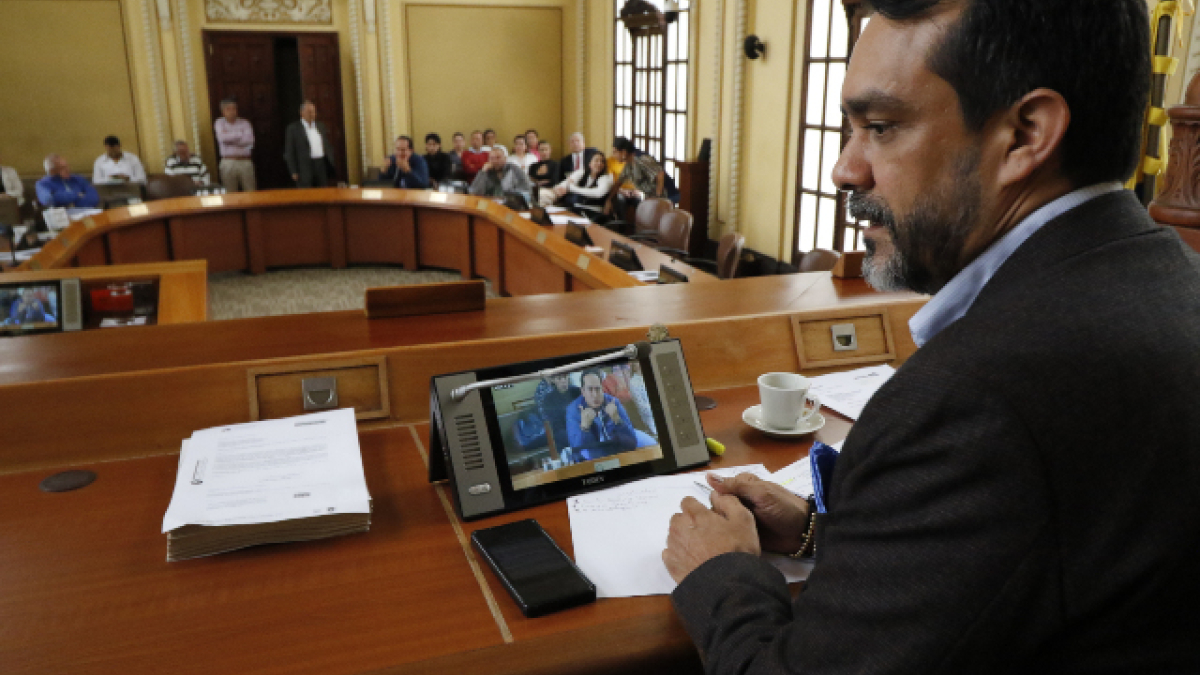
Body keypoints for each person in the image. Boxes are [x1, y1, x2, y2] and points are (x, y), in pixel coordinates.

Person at [663, 1, 1200, 672]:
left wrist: (722, 573)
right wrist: (820, 529)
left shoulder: (972, 399)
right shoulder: (1175, 278)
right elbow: (1040, 551)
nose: (845, 169)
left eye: (881, 127)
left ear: (1026, 134)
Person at [564, 369, 638, 460]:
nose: (595, 395)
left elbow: (632, 442)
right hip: (592, 460)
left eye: (597, 389)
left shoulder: (613, 402)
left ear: (602, 389)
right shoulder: (573, 410)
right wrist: (584, 428)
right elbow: (576, 450)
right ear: (583, 391)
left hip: (617, 454)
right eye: (590, 389)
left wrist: (617, 420)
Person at [605, 137, 665, 216]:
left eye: (615, 152)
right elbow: (618, 184)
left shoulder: (642, 159)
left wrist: (658, 197)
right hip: (648, 198)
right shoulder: (628, 165)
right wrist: (609, 200)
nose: (614, 155)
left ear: (624, 152)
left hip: (660, 199)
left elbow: (660, 174)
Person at [283, 101, 337, 187]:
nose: (312, 114)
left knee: (323, 192)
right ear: (301, 113)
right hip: (304, 167)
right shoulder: (293, 129)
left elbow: (326, 144)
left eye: (314, 111)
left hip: (321, 164)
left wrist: (331, 159)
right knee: (306, 194)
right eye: (309, 112)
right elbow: (289, 152)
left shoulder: (320, 126)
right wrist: (293, 171)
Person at [539, 152, 613, 209]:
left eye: (602, 161)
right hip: (576, 208)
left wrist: (572, 188)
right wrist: (557, 189)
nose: (599, 163)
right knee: (544, 194)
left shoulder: (606, 178)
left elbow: (598, 193)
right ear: (590, 163)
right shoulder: (582, 172)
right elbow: (566, 184)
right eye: (596, 160)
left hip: (593, 210)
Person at [213, 98, 256, 192]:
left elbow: (249, 141)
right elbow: (223, 139)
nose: (232, 111)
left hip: (245, 161)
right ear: (223, 111)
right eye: (228, 109)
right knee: (230, 192)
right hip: (228, 162)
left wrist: (229, 137)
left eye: (234, 109)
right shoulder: (219, 123)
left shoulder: (245, 123)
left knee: (250, 191)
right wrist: (240, 134)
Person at [536, 373, 582, 452]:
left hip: (581, 427)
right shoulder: (549, 399)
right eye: (559, 379)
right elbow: (556, 425)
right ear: (553, 380)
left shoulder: (577, 391)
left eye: (565, 377)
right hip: (563, 432)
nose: (563, 381)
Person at [627, 362, 656, 436]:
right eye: (637, 363)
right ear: (634, 367)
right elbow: (641, 406)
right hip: (649, 415)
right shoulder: (633, 382)